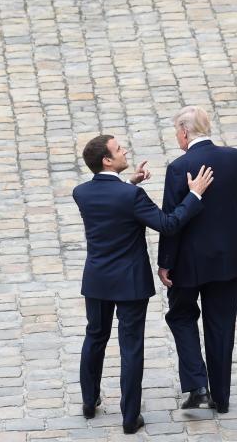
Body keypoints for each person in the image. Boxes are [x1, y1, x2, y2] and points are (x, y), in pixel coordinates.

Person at [73, 133, 214, 434]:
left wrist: (131, 183)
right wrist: (194, 195)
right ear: (107, 160)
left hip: (97, 278)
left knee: (95, 336)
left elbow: (111, 204)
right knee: (131, 347)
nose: (125, 151)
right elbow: (168, 223)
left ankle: (88, 401)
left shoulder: (81, 193)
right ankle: (129, 417)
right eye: (119, 149)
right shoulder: (131, 197)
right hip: (130, 282)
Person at [157, 106, 237, 413]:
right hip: (228, 257)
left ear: (184, 132)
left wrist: (165, 262)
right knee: (222, 325)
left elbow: (172, 220)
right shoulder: (234, 157)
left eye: (176, 131)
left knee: (181, 316)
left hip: (189, 262)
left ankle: (198, 385)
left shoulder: (178, 166)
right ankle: (221, 398)